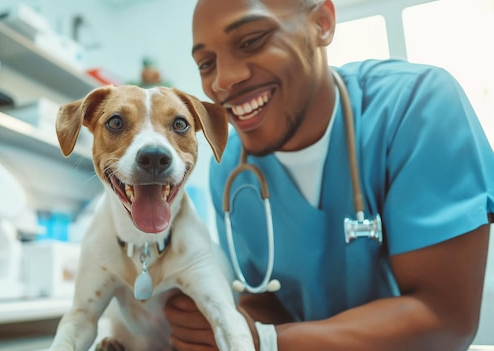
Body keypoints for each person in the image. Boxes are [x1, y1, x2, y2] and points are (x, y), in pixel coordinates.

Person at [163, 0, 494, 350]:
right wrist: (220, 326)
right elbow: (263, 299)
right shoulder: (229, 168)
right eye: (206, 63)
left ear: (322, 23)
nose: (223, 80)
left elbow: (444, 318)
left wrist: (268, 341)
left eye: (251, 40)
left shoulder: (417, 106)